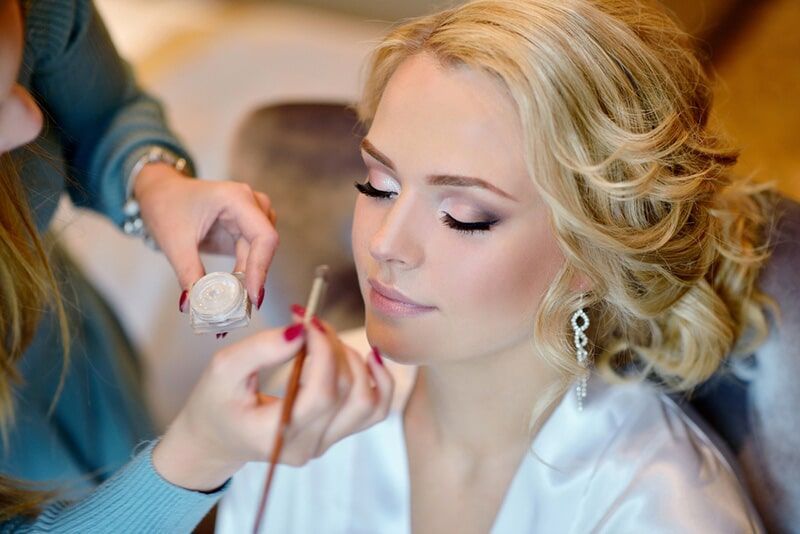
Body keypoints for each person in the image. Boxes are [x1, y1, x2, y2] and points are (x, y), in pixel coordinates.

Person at [217, 0, 775, 532]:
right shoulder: (305, 409)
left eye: (464, 216)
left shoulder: (660, 511)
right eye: (379, 185)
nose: (385, 243)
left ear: (594, 251)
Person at [1, 0, 394, 531]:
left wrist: (154, 182)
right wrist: (198, 455)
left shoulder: (32, 8)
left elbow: (103, 112)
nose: (32, 121)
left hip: (72, 356)